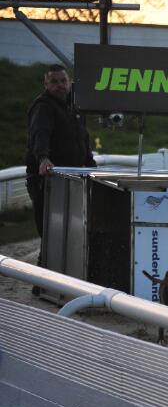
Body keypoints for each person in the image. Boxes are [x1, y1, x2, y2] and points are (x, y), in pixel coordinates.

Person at [25, 64, 97, 293]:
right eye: (54, 81)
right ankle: (42, 284)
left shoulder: (74, 107)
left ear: (69, 82)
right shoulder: (43, 108)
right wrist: (43, 159)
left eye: (62, 81)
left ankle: (55, 283)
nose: (59, 85)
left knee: (70, 232)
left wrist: (91, 166)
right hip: (48, 181)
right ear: (45, 84)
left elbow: (83, 140)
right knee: (50, 232)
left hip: (74, 181)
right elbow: (40, 135)